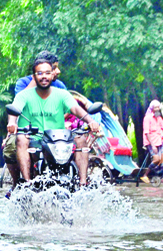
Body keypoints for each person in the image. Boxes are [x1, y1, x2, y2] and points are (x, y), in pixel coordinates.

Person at [7, 57, 100, 186]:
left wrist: (91, 121)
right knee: (21, 139)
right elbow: (14, 110)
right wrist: (12, 123)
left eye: (47, 73)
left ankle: (82, 184)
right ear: (34, 76)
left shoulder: (62, 94)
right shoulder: (23, 95)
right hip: (34, 138)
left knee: (80, 138)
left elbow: (75, 108)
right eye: (39, 73)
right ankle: (27, 183)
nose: (44, 77)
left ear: (52, 74)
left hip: (59, 139)